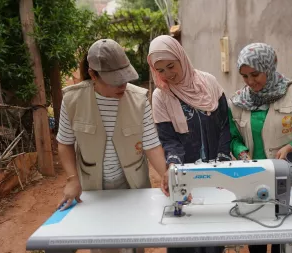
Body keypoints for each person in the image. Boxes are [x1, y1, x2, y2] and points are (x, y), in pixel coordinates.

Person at [56, 39, 168, 253]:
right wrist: (72, 179)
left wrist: (166, 175)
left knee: (134, 244)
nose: (122, 85)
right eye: (114, 80)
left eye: (125, 78)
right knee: (101, 246)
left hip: (132, 187)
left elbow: (151, 145)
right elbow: (65, 143)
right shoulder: (73, 100)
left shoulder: (138, 99)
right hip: (93, 190)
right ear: (93, 74)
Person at [228, 43, 292, 253]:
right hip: (253, 178)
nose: (251, 82)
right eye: (244, 76)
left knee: (283, 236)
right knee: (257, 236)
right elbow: (233, 137)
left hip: (285, 178)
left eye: (255, 74)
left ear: (269, 67)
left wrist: (291, 147)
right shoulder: (237, 101)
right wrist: (241, 150)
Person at [147, 35, 231, 253]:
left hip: (215, 174)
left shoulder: (209, 83)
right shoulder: (161, 96)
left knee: (213, 236)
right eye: (161, 70)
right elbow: (168, 139)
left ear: (181, 58)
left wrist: (221, 162)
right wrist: (173, 167)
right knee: (183, 237)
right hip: (186, 175)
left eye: (171, 66)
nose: (167, 74)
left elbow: (224, 126)